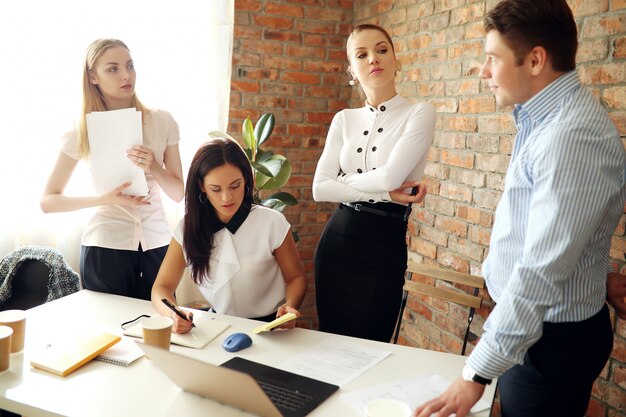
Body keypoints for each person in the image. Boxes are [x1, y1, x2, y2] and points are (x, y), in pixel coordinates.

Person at [414, 1, 626, 416]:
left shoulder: (570, 136)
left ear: (535, 60)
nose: (483, 70)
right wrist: (597, 275)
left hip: (550, 341)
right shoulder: (542, 121)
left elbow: (542, 271)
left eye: (492, 57)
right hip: (538, 331)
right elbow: (563, 234)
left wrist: (474, 376)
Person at [312, 24, 435, 342]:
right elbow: (320, 188)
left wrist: (347, 181)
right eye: (361, 54)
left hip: (384, 244)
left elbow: (392, 176)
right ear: (351, 70)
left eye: (381, 50)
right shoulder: (344, 119)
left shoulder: (419, 113)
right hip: (337, 241)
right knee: (330, 343)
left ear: (396, 59)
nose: (373, 59)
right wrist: (383, 191)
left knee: (372, 347)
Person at [40, 39, 184, 300]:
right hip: (106, 246)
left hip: (158, 244)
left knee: (160, 328)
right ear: (93, 77)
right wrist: (103, 199)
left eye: (130, 65)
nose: (126, 75)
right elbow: (48, 201)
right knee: (111, 335)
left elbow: (177, 193)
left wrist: (154, 166)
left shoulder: (162, 121)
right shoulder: (80, 130)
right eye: (113, 69)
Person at [151, 138, 307, 334]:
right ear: (201, 186)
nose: (227, 197)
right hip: (217, 328)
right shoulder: (188, 228)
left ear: (246, 180)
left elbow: (296, 278)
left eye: (235, 186)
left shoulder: (271, 222)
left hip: (271, 327)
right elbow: (161, 288)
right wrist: (173, 313)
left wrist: (290, 307)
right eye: (216, 189)